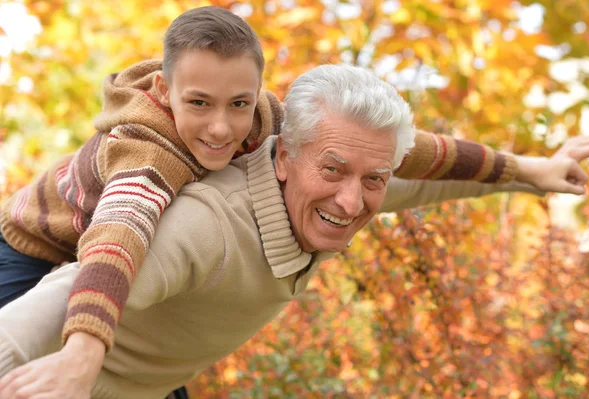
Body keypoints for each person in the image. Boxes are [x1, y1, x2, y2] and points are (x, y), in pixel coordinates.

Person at [0, 64, 589, 399]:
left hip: (148, 378)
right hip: (58, 344)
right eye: (333, 170)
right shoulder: (207, 226)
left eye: (373, 179)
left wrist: (532, 172)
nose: (351, 199)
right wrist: (76, 361)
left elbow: (431, 166)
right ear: (283, 156)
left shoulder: (347, 182)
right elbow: (73, 287)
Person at [0, 6, 528, 359]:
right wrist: (83, 349)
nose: (222, 127)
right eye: (199, 103)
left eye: (239, 103)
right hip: (36, 246)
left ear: (258, 91)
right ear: (165, 89)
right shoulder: (146, 150)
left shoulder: (268, 119)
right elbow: (118, 234)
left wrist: (528, 170)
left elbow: (416, 153)